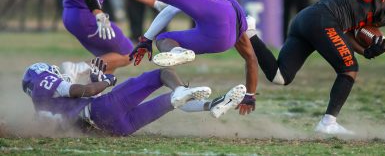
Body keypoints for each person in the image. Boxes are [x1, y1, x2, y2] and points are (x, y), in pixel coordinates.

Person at [246, 0, 385, 135]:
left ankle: (250, 32)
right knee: (349, 68)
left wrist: (365, 51)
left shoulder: (384, 15)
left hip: (308, 20)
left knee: (280, 76)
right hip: (324, 19)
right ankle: (328, 123)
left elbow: (347, 33)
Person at [127, 0, 258, 116]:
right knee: (165, 38)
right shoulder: (236, 7)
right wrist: (250, 95)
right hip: (226, 39)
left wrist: (146, 38)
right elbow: (251, 59)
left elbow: (170, 9)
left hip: (216, 10)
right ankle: (179, 54)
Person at [22, 59, 246, 136]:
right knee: (160, 74)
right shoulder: (45, 81)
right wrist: (107, 81)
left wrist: (94, 80)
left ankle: (211, 104)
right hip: (103, 110)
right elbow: (84, 93)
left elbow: (77, 110)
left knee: (173, 101)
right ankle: (181, 92)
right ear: (41, 75)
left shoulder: (41, 108)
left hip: (116, 129)